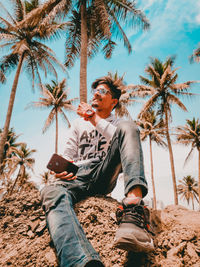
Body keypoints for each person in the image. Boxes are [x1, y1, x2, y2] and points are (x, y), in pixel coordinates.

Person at [41, 76, 154, 267]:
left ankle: (134, 206)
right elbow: (68, 154)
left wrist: (93, 118)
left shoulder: (118, 124)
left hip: (103, 171)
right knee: (50, 191)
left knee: (129, 127)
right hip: (77, 174)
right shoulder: (78, 124)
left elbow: (119, 139)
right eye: (96, 91)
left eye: (103, 91)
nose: (96, 94)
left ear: (114, 101)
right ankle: (80, 262)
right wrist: (61, 170)